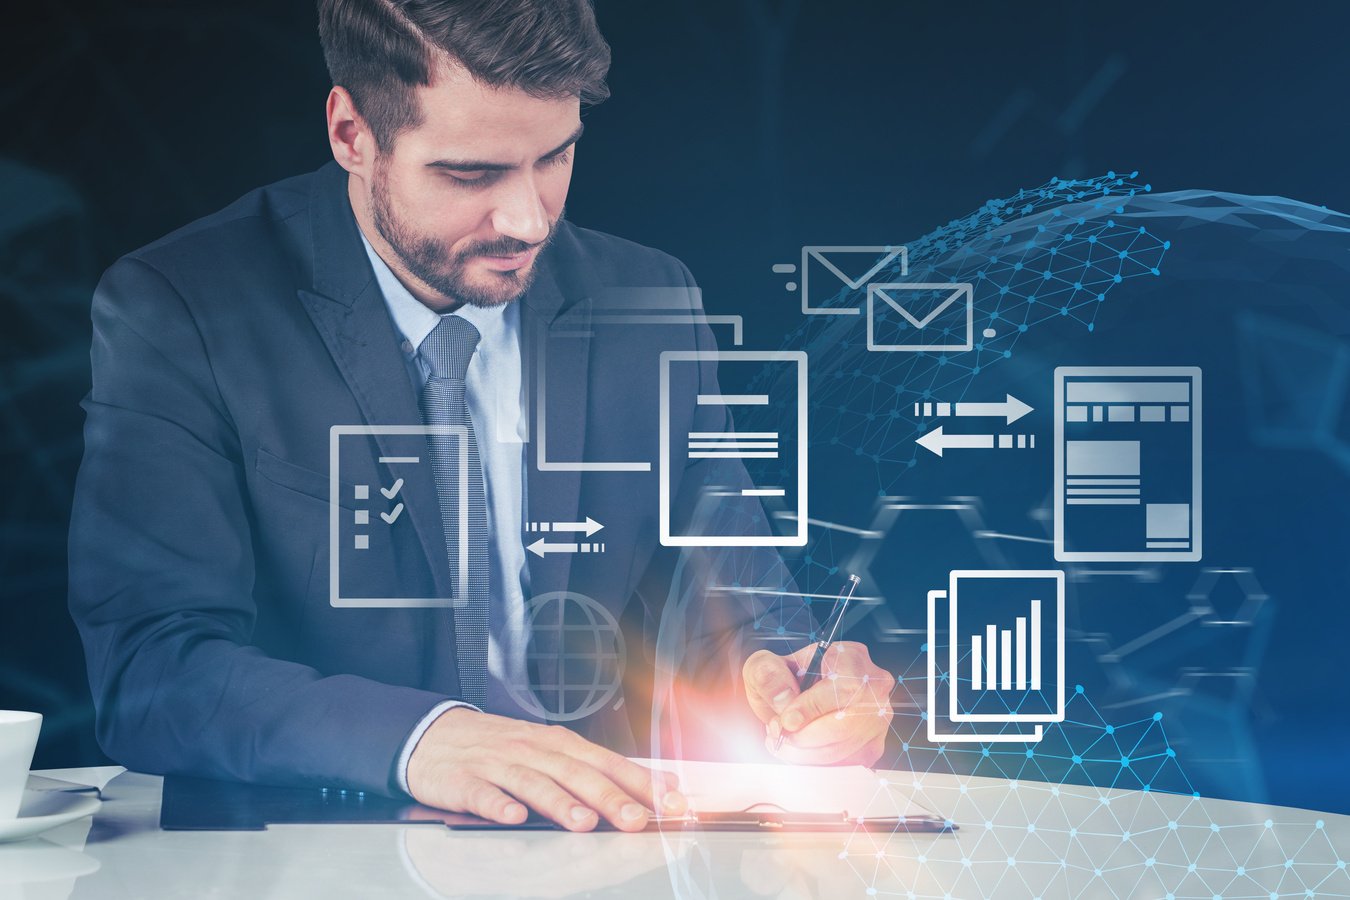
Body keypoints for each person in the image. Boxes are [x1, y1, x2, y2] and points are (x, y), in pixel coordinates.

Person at [68, 0, 894, 834]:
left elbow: (737, 611)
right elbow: (152, 672)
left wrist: (799, 687)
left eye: (556, 157)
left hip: (604, 850)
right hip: (313, 849)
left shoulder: (650, 301)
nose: (530, 220)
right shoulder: (185, 309)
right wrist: (422, 741)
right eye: (471, 174)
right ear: (353, 134)